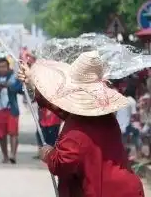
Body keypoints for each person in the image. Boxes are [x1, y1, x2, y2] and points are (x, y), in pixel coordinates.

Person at [19, 51, 144, 197]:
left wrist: (47, 153)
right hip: (127, 188)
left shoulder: (76, 132)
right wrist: (32, 82)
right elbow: (64, 110)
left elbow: (61, 164)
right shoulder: (104, 116)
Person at [0, 57, 22, 164]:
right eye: (0, 67)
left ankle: (13, 155)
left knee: (13, 133)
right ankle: (5, 156)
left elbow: (20, 90)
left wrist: (9, 86)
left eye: (4, 67)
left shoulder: (14, 78)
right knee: (1, 135)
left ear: (8, 67)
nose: (2, 69)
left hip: (12, 109)